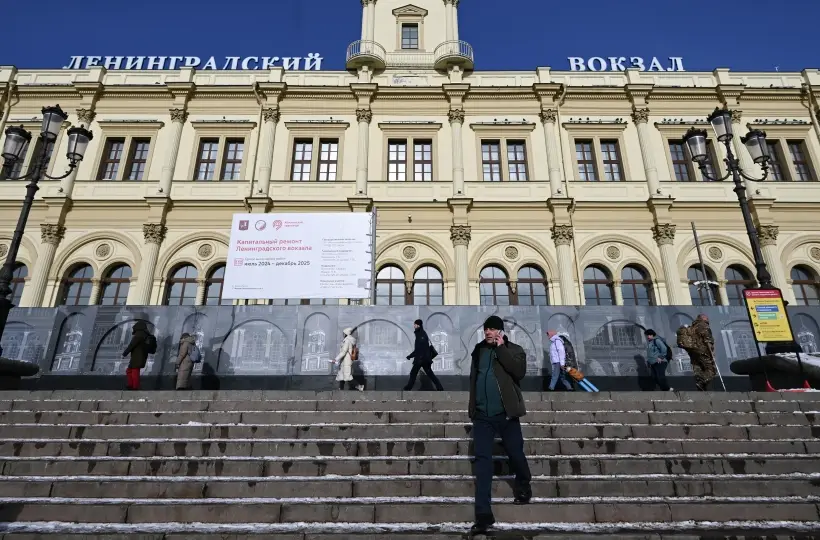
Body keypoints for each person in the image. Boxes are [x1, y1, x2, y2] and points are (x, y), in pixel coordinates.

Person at [468, 315, 532, 535]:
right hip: (482, 416)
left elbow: (519, 372)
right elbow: (474, 379)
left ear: (501, 332)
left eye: (493, 329)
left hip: (506, 414)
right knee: (483, 464)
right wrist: (473, 409)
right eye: (486, 328)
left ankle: (523, 483)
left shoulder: (514, 349)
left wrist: (502, 348)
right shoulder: (478, 351)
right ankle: (484, 515)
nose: (488, 332)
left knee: (516, 454)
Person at [403, 319, 444, 391]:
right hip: (425, 359)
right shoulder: (421, 333)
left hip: (421, 359)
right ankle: (440, 388)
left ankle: (408, 388)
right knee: (430, 374)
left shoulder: (421, 334)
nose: (414, 326)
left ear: (418, 325)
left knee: (413, 373)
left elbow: (419, 349)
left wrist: (411, 356)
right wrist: (411, 355)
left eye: (415, 324)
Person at [690, 314, 717, 391]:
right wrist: (711, 352)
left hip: (693, 352)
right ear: (702, 318)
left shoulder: (692, 327)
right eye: (706, 317)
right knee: (711, 370)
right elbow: (707, 339)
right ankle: (702, 382)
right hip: (703, 351)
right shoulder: (703, 325)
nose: (708, 319)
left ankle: (701, 387)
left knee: (698, 370)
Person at [122, 321, 151, 391]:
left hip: (137, 357)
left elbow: (131, 345)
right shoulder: (145, 335)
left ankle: (134, 386)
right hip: (140, 356)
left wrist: (125, 353)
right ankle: (132, 385)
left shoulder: (139, 335)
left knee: (133, 371)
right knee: (131, 370)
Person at [334, 327, 363, 391]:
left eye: (343, 333)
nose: (343, 334)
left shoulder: (347, 341)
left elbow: (343, 352)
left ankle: (359, 386)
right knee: (341, 375)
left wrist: (336, 359)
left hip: (346, 361)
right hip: (344, 361)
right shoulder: (349, 340)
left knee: (347, 376)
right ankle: (340, 389)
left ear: (346, 333)